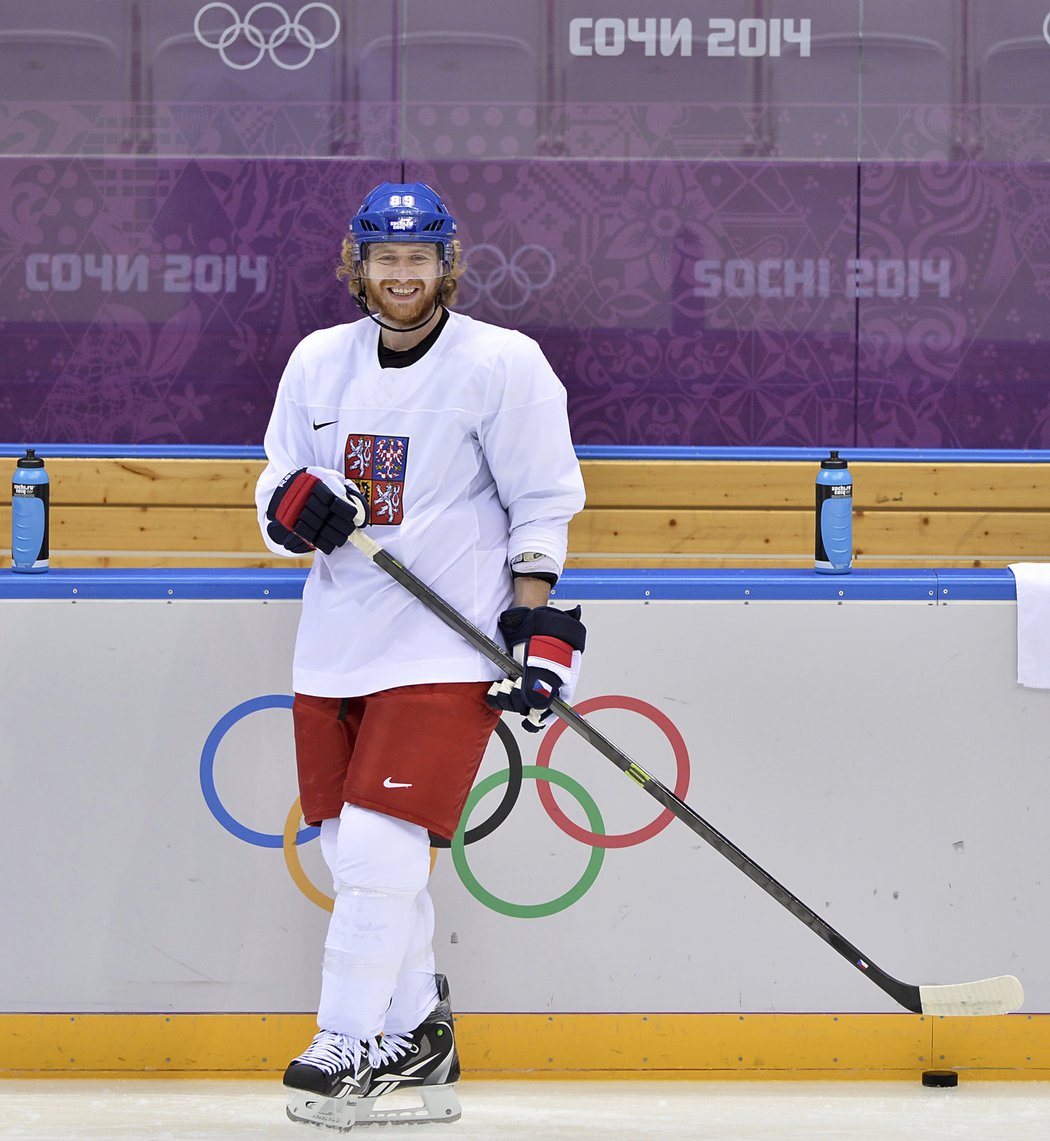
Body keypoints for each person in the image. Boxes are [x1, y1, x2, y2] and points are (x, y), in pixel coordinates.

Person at [255, 181, 586, 1131]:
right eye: (386, 259)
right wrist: (292, 507)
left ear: (449, 264)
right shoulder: (319, 360)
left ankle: (343, 1041)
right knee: (350, 849)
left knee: (382, 850)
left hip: (445, 644)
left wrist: (533, 626)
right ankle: (419, 1037)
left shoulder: (503, 363)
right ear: (356, 266)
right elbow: (274, 478)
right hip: (333, 645)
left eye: (421, 258)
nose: (404, 275)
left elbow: (544, 501)